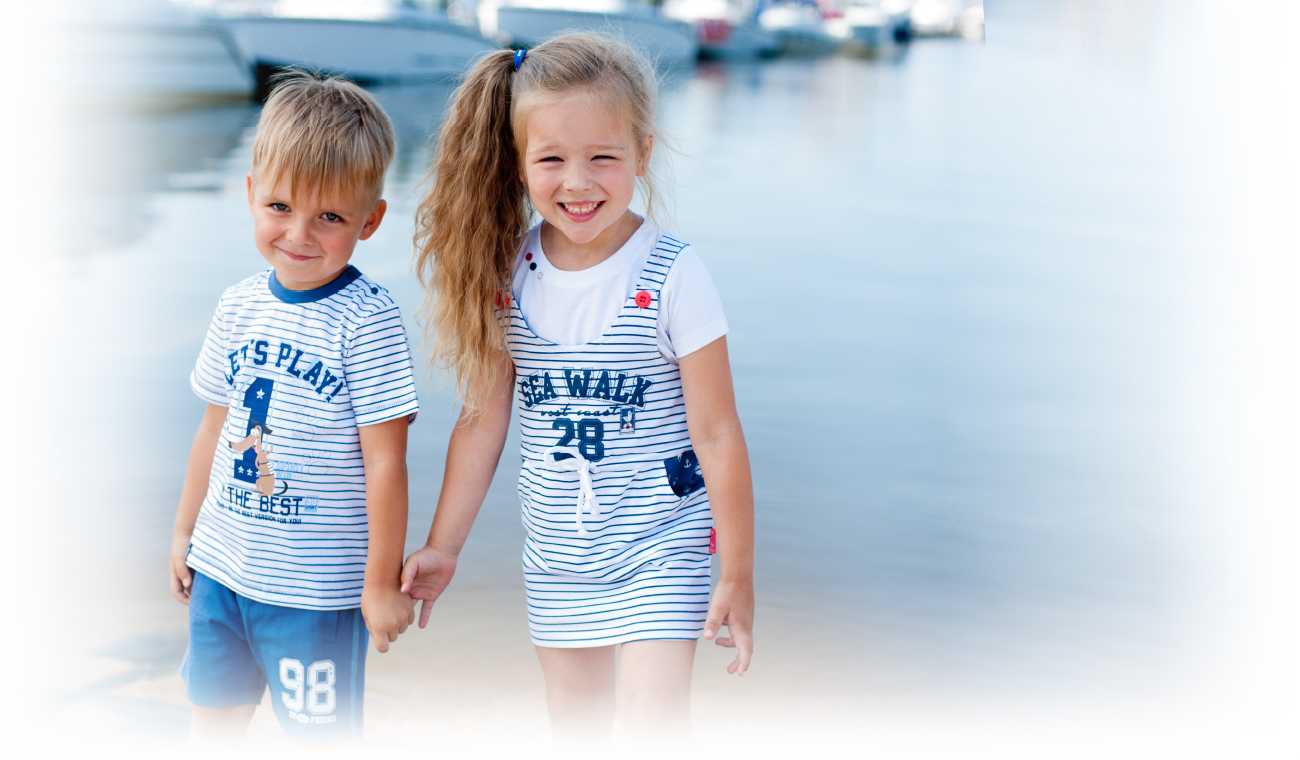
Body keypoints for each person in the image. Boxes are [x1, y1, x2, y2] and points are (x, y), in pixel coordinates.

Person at [401, 34, 755, 751]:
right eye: (551, 159)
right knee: (576, 726)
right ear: (518, 162)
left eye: (603, 157)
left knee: (655, 722)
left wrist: (739, 571)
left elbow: (717, 432)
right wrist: (443, 545)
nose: (578, 182)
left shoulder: (673, 274)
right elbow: (481, 423)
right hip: (561, 553)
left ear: (643, 154)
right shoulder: (509, 275)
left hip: (663, 544)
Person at [167, 72, 420, 745]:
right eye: (280, 206)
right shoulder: (237, 305)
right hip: (222, 572)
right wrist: (184, 532)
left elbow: (386, 464)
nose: (299, 234)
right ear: (251, 193)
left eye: (330, 217)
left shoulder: (367, 321)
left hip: (313, 593)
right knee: (210, 732)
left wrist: (380, 585)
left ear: (370, 220)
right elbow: (213, 429)